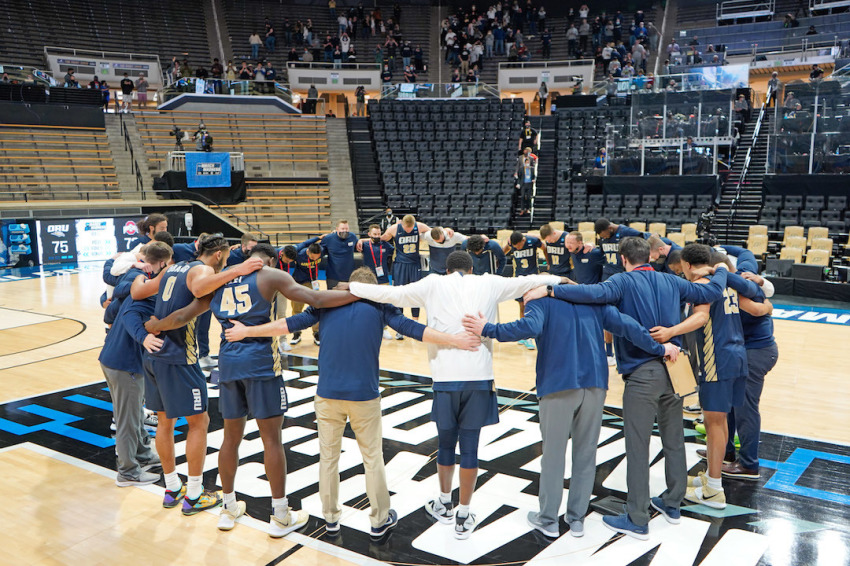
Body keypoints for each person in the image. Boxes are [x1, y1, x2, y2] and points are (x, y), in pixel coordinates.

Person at [522, 237, 750, 540]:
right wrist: (720, 268)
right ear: (650, 256)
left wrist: (551, 289)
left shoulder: (620, 281)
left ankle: (638, 518)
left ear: (623, 258)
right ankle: (672, 505)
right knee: (674, 440)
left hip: (643, 374)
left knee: (638, 446)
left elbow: (591, 293)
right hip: (676, 368)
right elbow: (710, 291)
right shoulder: (672, 280)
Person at [227, 266, 480, 538]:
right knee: (373, 460)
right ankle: (379, 520)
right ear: (372, 287)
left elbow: (287, 324)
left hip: (327, 395)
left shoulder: (325, 304)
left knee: (328, 459)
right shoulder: (380, 305)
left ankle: (331, 518)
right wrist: (455, 340)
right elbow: (415, 329)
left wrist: (246, 332)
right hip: (364, 396)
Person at [347, 251, 570, 540]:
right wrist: (559, 279)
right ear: (471, 268)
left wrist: (351, 287)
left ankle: (443, 502)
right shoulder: (489, 283)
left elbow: (393, 294)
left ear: (445, 268)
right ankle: (464, 514)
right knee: (470, 448)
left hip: (445, 380)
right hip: (479, 379)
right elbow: (527, 280)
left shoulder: (432, 283)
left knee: (445, 445)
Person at [461, 288, 677, 539]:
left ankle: (548, 519)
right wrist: (659, 348)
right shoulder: (593, 302)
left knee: (553, 456)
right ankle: (576, 519)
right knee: (585, 455)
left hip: (558, 386)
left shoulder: (539, 303)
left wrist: (487, 328)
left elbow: (526, 328)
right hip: (595, 385)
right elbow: (628, 326)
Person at [136, 235, 264, 516]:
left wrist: (135, 277)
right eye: (228, 256)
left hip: (153, 356)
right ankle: (194, 493)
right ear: (218, 254)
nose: (230, 260)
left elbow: (138, 292)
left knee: (164, 422)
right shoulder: (204, 271)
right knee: (199, 422)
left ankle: (171, 488)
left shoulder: (173, 267)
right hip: (179, 357)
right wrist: (238, 270)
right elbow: (192, 299)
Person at [647, 246, 771, 509]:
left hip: (717, 358)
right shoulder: (730, 283)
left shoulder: (704, 285)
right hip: (738, 356)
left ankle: (714, 490)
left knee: (713, 422)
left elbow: (701, 317)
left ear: (689, 265)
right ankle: (714, 476)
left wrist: (670, 332)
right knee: (722, 421)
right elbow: (759, 306)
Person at [98, 242, 173, 488]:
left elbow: (111, 312)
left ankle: (141, 454)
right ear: (162, 264)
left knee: (133, 414)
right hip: (123, 362)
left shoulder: (139, 282)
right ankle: (128, 472)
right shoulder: (141, 286)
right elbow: (130, 316)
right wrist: (144, 337)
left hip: (116, 358)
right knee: (127, 418)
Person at [375, 214, 431, 338]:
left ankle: (415, 323)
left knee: (416, 293)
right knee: (399, 294)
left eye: (411, 229)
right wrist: (363, 240)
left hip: (414, 264)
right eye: (407, 229)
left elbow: (433, 232)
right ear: (402, 224)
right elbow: (381, 239)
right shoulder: (394, 228)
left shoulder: (420, 226)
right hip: (400, 264)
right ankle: (400, 327)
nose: (408, 231)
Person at [287, 236, 324, 346]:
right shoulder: (299, 253)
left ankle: (316, 333)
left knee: (316, 307)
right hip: (298, 283)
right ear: (308, 251)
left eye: (317, 258)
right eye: (313, 257)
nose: (314, 260)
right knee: (296, 309)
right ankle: (296, 333)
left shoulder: (321, 250)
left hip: (313, 283)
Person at [321, 219, 359, 290]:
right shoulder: (328, 239)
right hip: (333, 277)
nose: (345, 231)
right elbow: (319, 251)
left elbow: (359, 245)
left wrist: (362, 240)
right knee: (332, 299)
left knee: (348, 299)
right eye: (342, 229)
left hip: (349, 277)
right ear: (337, 229)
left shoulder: (352, 237)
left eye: (347, 228)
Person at [515, 147, 537, 216]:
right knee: (522, 197)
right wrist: (518, 183)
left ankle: (528, 209)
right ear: (525, 163)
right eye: (526, 162)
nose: (527, 163)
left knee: (528, 197)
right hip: (523, 184)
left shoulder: (532, 169)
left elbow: (534, 176)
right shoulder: (521, 169)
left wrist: (534, 179)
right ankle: (522, 209)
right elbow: (519, 177)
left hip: (529, 184)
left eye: (528, 162)